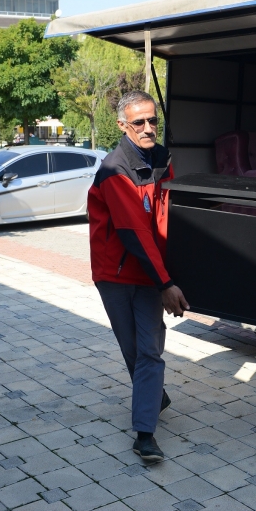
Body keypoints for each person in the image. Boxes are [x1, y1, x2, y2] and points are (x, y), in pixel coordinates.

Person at [88, 90, 189, 462]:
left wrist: (169, 277)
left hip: (151, 274)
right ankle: (154, 396)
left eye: (153, 121)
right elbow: (133, 232)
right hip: (115, 274)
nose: (149, 128)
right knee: (132, 350)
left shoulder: (163, 160)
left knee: (149, 351)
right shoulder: (115, 170)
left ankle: (144, 434)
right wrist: (166, 283)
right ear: (122, 126)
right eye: (139, 122)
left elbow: (167, 218)